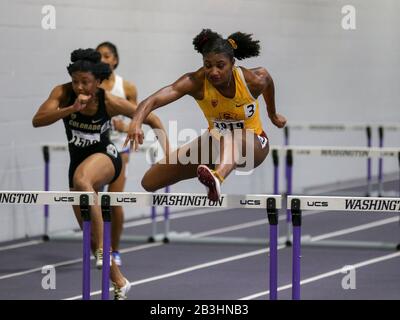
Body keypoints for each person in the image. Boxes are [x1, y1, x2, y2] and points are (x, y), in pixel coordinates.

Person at [32, 48, 167, 299]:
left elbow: (153, 118)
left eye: (86, 83)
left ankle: (107, 251)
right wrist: (70, 108)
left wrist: (165, 152)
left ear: (97, 81)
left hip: (106, 156)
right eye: (76, 82)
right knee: (90, 236)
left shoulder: (109, 101)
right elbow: (37, 120)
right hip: (78, 163)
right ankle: (120, 281)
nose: (80, 88)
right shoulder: (62, 93)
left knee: (83, 180)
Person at [125, 29, 287, 200]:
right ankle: (215, 172)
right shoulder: (196, 82)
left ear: (232, 63)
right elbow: (153, 100)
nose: (213, 72)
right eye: (208, 65)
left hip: (253, 144)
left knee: (231, 136)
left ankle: (217, 178)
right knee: (150, 181)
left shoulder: (252, 80)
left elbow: (267, 80)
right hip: (215, 140)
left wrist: (273, 115)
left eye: (220, 65)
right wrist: (136, 122)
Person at [95, 42, 136, 266]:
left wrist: (125, 127)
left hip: (120, 149)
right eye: (99, 55)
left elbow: (138, 120)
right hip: (95, 150)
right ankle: (100, 247)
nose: (103, 59)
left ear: (115, 60)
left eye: (107, 55)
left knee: (113, 201)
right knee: (93, 201)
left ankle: (115, 249)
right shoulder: (91, 86)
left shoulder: (127, 87)